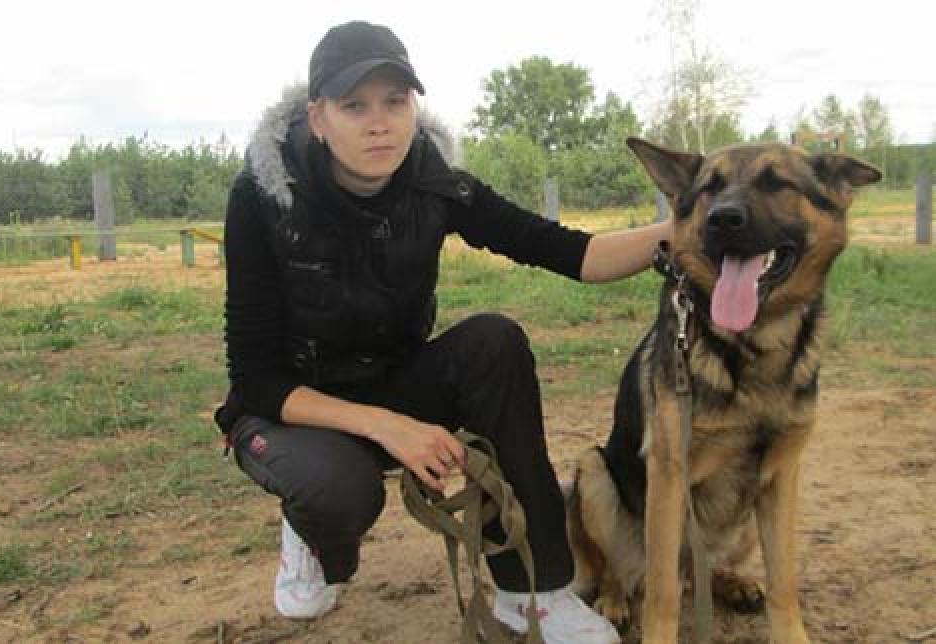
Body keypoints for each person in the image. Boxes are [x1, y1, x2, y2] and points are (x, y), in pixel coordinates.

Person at [215, 20, 671, 644]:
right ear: (318, 117)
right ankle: (313, 535)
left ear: (414, 106)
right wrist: (388, 427)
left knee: (494, 343)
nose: (379, 123)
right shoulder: (263, 197)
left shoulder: (436, 184)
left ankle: (531, 593)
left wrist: (686, 230)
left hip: (392, 379)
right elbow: (256, 378)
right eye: (354, 106)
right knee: (337, 490)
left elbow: (569, 251)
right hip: (296, 411)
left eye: (394, 101)